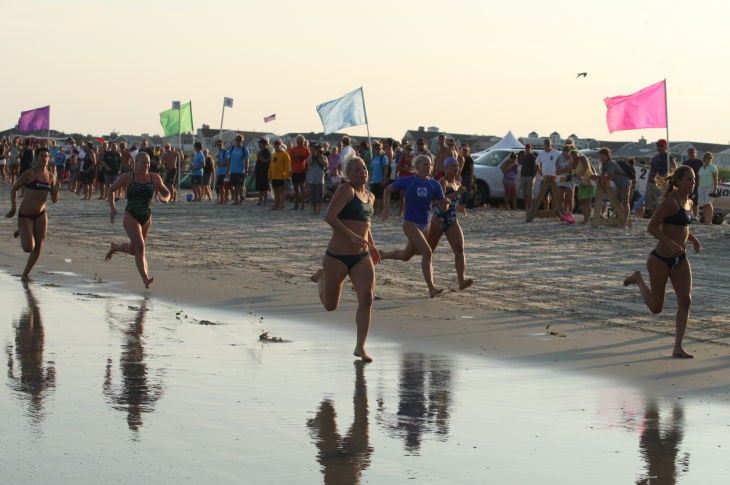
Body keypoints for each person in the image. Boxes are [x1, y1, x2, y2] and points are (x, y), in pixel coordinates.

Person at [623, 165, 700, 358]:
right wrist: (670, 244)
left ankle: (678, 347)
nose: (692, 183)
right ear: (678, 181)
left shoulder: (689, 202)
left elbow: (681, 227)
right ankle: (638, 279)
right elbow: (652, 227)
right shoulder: (670, 202)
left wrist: (692, 239)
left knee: (686, 300)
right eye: (689, 179)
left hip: (680, 259)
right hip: (660, 260)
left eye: (694, 179)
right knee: (656, 308)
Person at [310, 156, 380, 362]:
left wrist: (373, 246)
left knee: (366, 298)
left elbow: (367, 225)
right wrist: (349, 234)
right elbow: (329, 216)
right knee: (330, 305)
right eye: (357, 170)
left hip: (361, 256)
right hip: (337, 256)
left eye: (364, 169)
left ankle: (360, 347)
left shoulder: (370, 196)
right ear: (349, 174)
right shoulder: (345, 190)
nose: (363, 173)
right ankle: (321, 278)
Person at [380, 155, 446, 298]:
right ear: (416, 166)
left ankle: (383, 255)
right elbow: (387, 190)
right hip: (410, 223)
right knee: (427, 252)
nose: (427, 167)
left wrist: (446, 203)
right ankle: (431, 288)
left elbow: (442, 204)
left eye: (429, 165)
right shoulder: (407, 181)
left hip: (426, 225)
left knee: (406, 256)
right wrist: (386, 207)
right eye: (424, 164)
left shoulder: (435, 184)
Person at [105, 152, 170, 288]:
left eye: (148, 162)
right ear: (136, 163)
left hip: (146, 217)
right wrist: (113, 209)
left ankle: (115, 247)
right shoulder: (127, 177)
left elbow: (167, 192)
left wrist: (166, 199)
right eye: (143, 162)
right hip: (130, 216)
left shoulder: (155, 177)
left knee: (134, 250)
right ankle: (145, 278)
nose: (146, 165)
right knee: (141, 247)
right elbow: (111, 190)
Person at [5, 147, 59, 283]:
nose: (45, 159)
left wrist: (56, 189)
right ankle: (23, 230)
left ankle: (25, 274)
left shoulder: (51, 176)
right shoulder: (30, 173)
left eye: (47, 156)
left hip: (41, 214)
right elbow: (14, 188)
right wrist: (13, 207)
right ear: (37, 158)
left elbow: (54, 200)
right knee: (29, 248)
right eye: (42, 156)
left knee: (39, 245)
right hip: (26, 214)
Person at [428, 157, 473, 290]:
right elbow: (439, 201)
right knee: (426, 251)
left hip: (451, 219)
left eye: (457, 166)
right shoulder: (443, 182)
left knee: (459, 248)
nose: (456, 168)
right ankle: (389, 254)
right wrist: (458, 193)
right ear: (446, 168)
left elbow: (452, 202)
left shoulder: (458, 182)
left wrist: (459, 207)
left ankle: (461, 280)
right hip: (438, 220)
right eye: (453, 166)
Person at [597, 147, 631, 228]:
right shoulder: (604, 165)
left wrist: (599, 178)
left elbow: (611, 176)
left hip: (624, 182)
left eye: (602, 156)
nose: (600, 158)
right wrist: (599, 180)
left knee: (625, 202)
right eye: (600, 156)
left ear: (607, 156)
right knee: (616, 202)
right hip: (618, 184)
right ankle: (616, 219)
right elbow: (602, 176)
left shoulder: (611, 163)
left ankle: (625, 222)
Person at [645, 139, 676, 216]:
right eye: (658, 145)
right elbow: (651, 170)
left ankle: (661, 217)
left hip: (662, 182)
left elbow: (674, 169)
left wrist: (666, 178)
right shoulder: (655, 158)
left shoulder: (669, 157)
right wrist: (648, 181)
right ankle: (653, 217)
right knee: (651, 202)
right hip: (652, 182)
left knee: (660, 202)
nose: (659, 147)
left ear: (666, 147)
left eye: (661, 146)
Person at [288, 135, 311, 210]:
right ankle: (296, 204)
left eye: (302, 141)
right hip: (294, 170)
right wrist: (296, 156)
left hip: (302, 170)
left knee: (302, 187)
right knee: (295, 188)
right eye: (300, 141)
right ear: (297, 142)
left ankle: (302, 204)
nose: (301, 143)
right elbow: (290, 158)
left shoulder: (306, 149)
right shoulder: (293, 149)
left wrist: (307, 168)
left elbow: (309, 160)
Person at [697, 151, 719, 224]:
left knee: (708, 203)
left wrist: (715, 189)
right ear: (704, 158)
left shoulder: (713, 167)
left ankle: (709, 221)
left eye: (710, 158)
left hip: (710, 186)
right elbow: (699, 178)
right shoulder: (701, 168)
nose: (709, 159)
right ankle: (706, 220)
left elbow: (716, 179)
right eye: (707, 157)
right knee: (703, 204)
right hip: (701, 187)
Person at [368, 140, 389, 214]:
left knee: (380, 197)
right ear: (373, 149)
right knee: (374, 197)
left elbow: (385, 168)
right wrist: (369, 180)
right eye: (376, 148)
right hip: (374, 180)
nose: (378, 150)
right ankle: (375, 210)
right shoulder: (373, 158)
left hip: (380, 180)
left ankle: (381, 211)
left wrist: (384, 179)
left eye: (379, 148)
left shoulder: (383, 157)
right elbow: (371, 170)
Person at [269, 139, 291, 210]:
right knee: (275, 192)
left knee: (281, 192)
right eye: (275, 144)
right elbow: (271, 166)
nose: (276, 146)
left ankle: (281, 205)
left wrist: (287, 176)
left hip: (282, 176)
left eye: (278, 144)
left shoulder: (285, 154)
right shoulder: (273, 154)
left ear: (281, 145)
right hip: (274, 176)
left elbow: (288, 167)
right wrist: (269, 175)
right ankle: (276, 205)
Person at [227, 134, 249, 205]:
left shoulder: (244, 149)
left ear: (242, 141)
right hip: (232, 170)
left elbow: (246, 161)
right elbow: (229, 159)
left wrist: (246, 171)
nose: (238, 142)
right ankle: (236, 200)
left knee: (239, 186)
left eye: (240, 141)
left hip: (240, 171)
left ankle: (240, 200)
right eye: (237, 140)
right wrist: (228, 169)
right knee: (232, 186)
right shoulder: (232, 148)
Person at [306, 143, 327, 215]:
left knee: (319, 197)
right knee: (313, 197)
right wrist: (314, 156)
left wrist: (320, 156)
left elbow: (325, 165)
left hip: (320, 180)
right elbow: (309, 163)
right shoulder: (310, 157)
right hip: (312, 180)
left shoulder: (324, 157)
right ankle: (314, 210)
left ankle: (318, 211)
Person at [575, 155, 596, 223]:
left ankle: (586, 219)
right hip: (582, 183)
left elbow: (586, 167)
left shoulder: (582, 158)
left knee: (587, 201)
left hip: (589, 181)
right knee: (583, 201)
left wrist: (580, 175)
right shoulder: (574, 161)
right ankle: (585, 218)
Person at [682, 147, 703, 216]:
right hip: (686, 185)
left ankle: (695, 216)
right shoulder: (685, 163)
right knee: (685, 199)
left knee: (695, 200)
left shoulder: (699, 162)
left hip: (695, 185)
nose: (691, 154)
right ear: (688, 153)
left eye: (693, 152)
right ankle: (686, 215)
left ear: (695, 153)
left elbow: (703, 173)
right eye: (690, 152)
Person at [255, 138, 272, 206]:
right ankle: (260, 201)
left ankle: (264, 201)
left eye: (260, 143)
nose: (258, 144)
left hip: (264, 171)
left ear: (263, 144)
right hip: (260, 171)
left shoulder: (266, 151)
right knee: (260, 188)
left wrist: (258, 156)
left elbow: (265, 160)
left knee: (264, 188)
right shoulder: (261, 151)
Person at [214, 139, 229, 204]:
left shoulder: (226, 152)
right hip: (219, 172)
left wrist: (220, 164)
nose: (219, 146)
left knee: (225, 187)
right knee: (220, 186)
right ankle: (221, 199)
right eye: (218, 145)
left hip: (224, 171)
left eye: (220, 144)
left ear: (223, 144)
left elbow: (227, 161)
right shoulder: (218, 153)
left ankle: (225, 200)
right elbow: (217, 162)